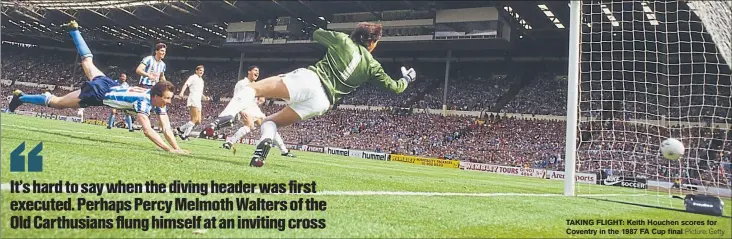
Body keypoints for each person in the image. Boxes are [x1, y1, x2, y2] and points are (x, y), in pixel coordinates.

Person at [233, 22, 416, 167]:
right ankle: (262, 147)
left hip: (312, 80)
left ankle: (227, 118)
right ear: (372, 42)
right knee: (272, 121)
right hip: (323, 102)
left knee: (256, 89)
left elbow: (316, 34)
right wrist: (407, 78)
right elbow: (396, 88)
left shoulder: (343, 40)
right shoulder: (373, 66)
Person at [8, 20, 188, 155]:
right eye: (166, 98)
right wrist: (168, 149)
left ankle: (74, 31)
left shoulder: (153, 98)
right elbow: (148, 131)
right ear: (156, 95)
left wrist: (177, 148)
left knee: (87, 60)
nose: (168, 102)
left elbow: (166, 127)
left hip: (108, 83)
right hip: (98, 93)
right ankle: (21, 97)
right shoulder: (143, 102)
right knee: (58, 103)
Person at [200, 66, 295, 157]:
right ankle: (229, 142)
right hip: (245, 107)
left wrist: (261, 99)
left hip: (254, 108)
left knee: (269, 125)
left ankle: (284, 151)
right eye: (255, 70)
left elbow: (261, 97)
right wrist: (240, 111)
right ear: (249, 72)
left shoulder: (257, 84)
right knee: (250, 126)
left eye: (258, 71)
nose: (257, 72)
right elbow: (236, 98)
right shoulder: (241, 84)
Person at [176, 65, 209, 140]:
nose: (201, 72)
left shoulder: (201, 80)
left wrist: (204, 97)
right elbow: (186, 84)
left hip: (198, 100)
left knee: (198, 121)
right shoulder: (192, 77)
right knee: (194, 119)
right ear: (196, 71)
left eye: (203, 71)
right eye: (200, 70)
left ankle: (182, 130)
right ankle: (184, 133)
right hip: (193, 99)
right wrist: (182, 92)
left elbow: (200, 92)